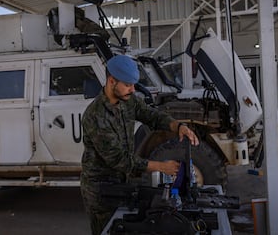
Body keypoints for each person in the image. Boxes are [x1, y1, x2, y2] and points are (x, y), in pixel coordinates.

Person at [80, 55, 199, 235]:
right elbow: (119, 160)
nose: (132, 89)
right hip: (101, 189)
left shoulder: (128, 101)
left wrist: (177, 126)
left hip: (123, 182)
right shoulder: (95, 116)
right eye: (128, 85)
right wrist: (161, 167)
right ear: (112, 81)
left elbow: (151, 115)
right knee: (107, 230)